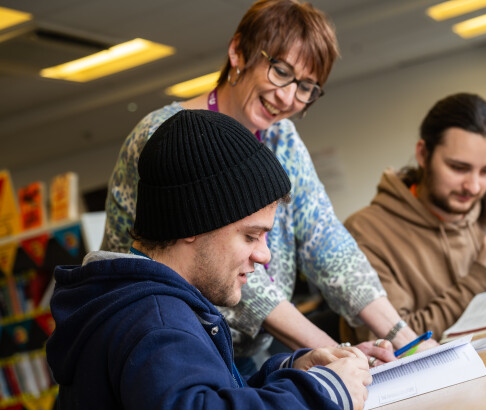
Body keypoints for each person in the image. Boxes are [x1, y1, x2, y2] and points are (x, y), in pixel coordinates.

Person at [101, 0, 431, 374]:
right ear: (238, 52)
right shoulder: (171, 136)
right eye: (281, 71)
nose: (288, 98)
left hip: (244, 354)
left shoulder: (280, 137)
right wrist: (339, 353)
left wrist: (406, 337)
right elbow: (220, 263)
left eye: (306, 87)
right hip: (171, 350)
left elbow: (325, 240)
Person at [46, 110, 373, 410]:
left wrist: (292, 370)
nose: (264, 255)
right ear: (192, 225)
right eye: (250, 236)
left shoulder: (147, 306)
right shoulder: (156, 321)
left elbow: (210, 403)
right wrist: (324, 392)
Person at [344, 92, 486, 341]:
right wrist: (480, 276)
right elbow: (395, 341)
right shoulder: (365, 231)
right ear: (423, 154)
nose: (473, 187)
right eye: (458, 168)